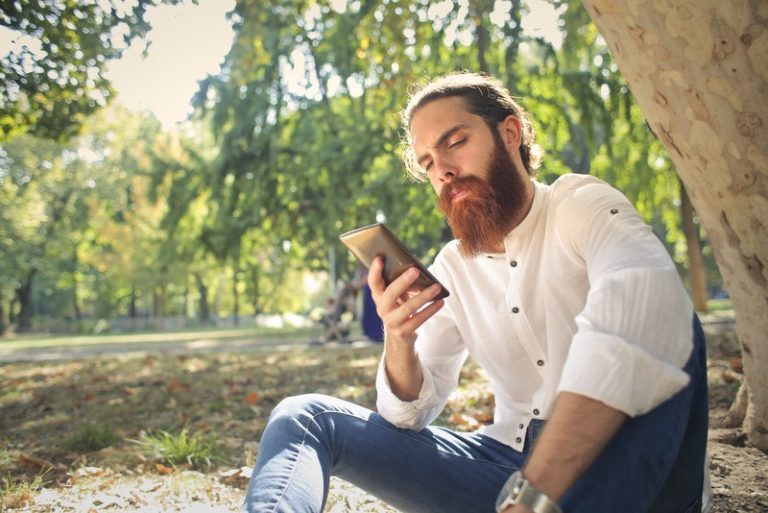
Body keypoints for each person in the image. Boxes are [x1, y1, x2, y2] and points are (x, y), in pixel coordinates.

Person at [241, 72, 708, 513]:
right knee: (304, 417)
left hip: (624, 472)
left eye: (455, 143)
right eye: (427, 163)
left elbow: (642, 306)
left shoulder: (579, 205)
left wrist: (534, 495)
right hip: (506, 469)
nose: (442, 170)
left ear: (510, 134)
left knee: (663, 310)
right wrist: (399, 338)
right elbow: (406, 417)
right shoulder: (452, 267)